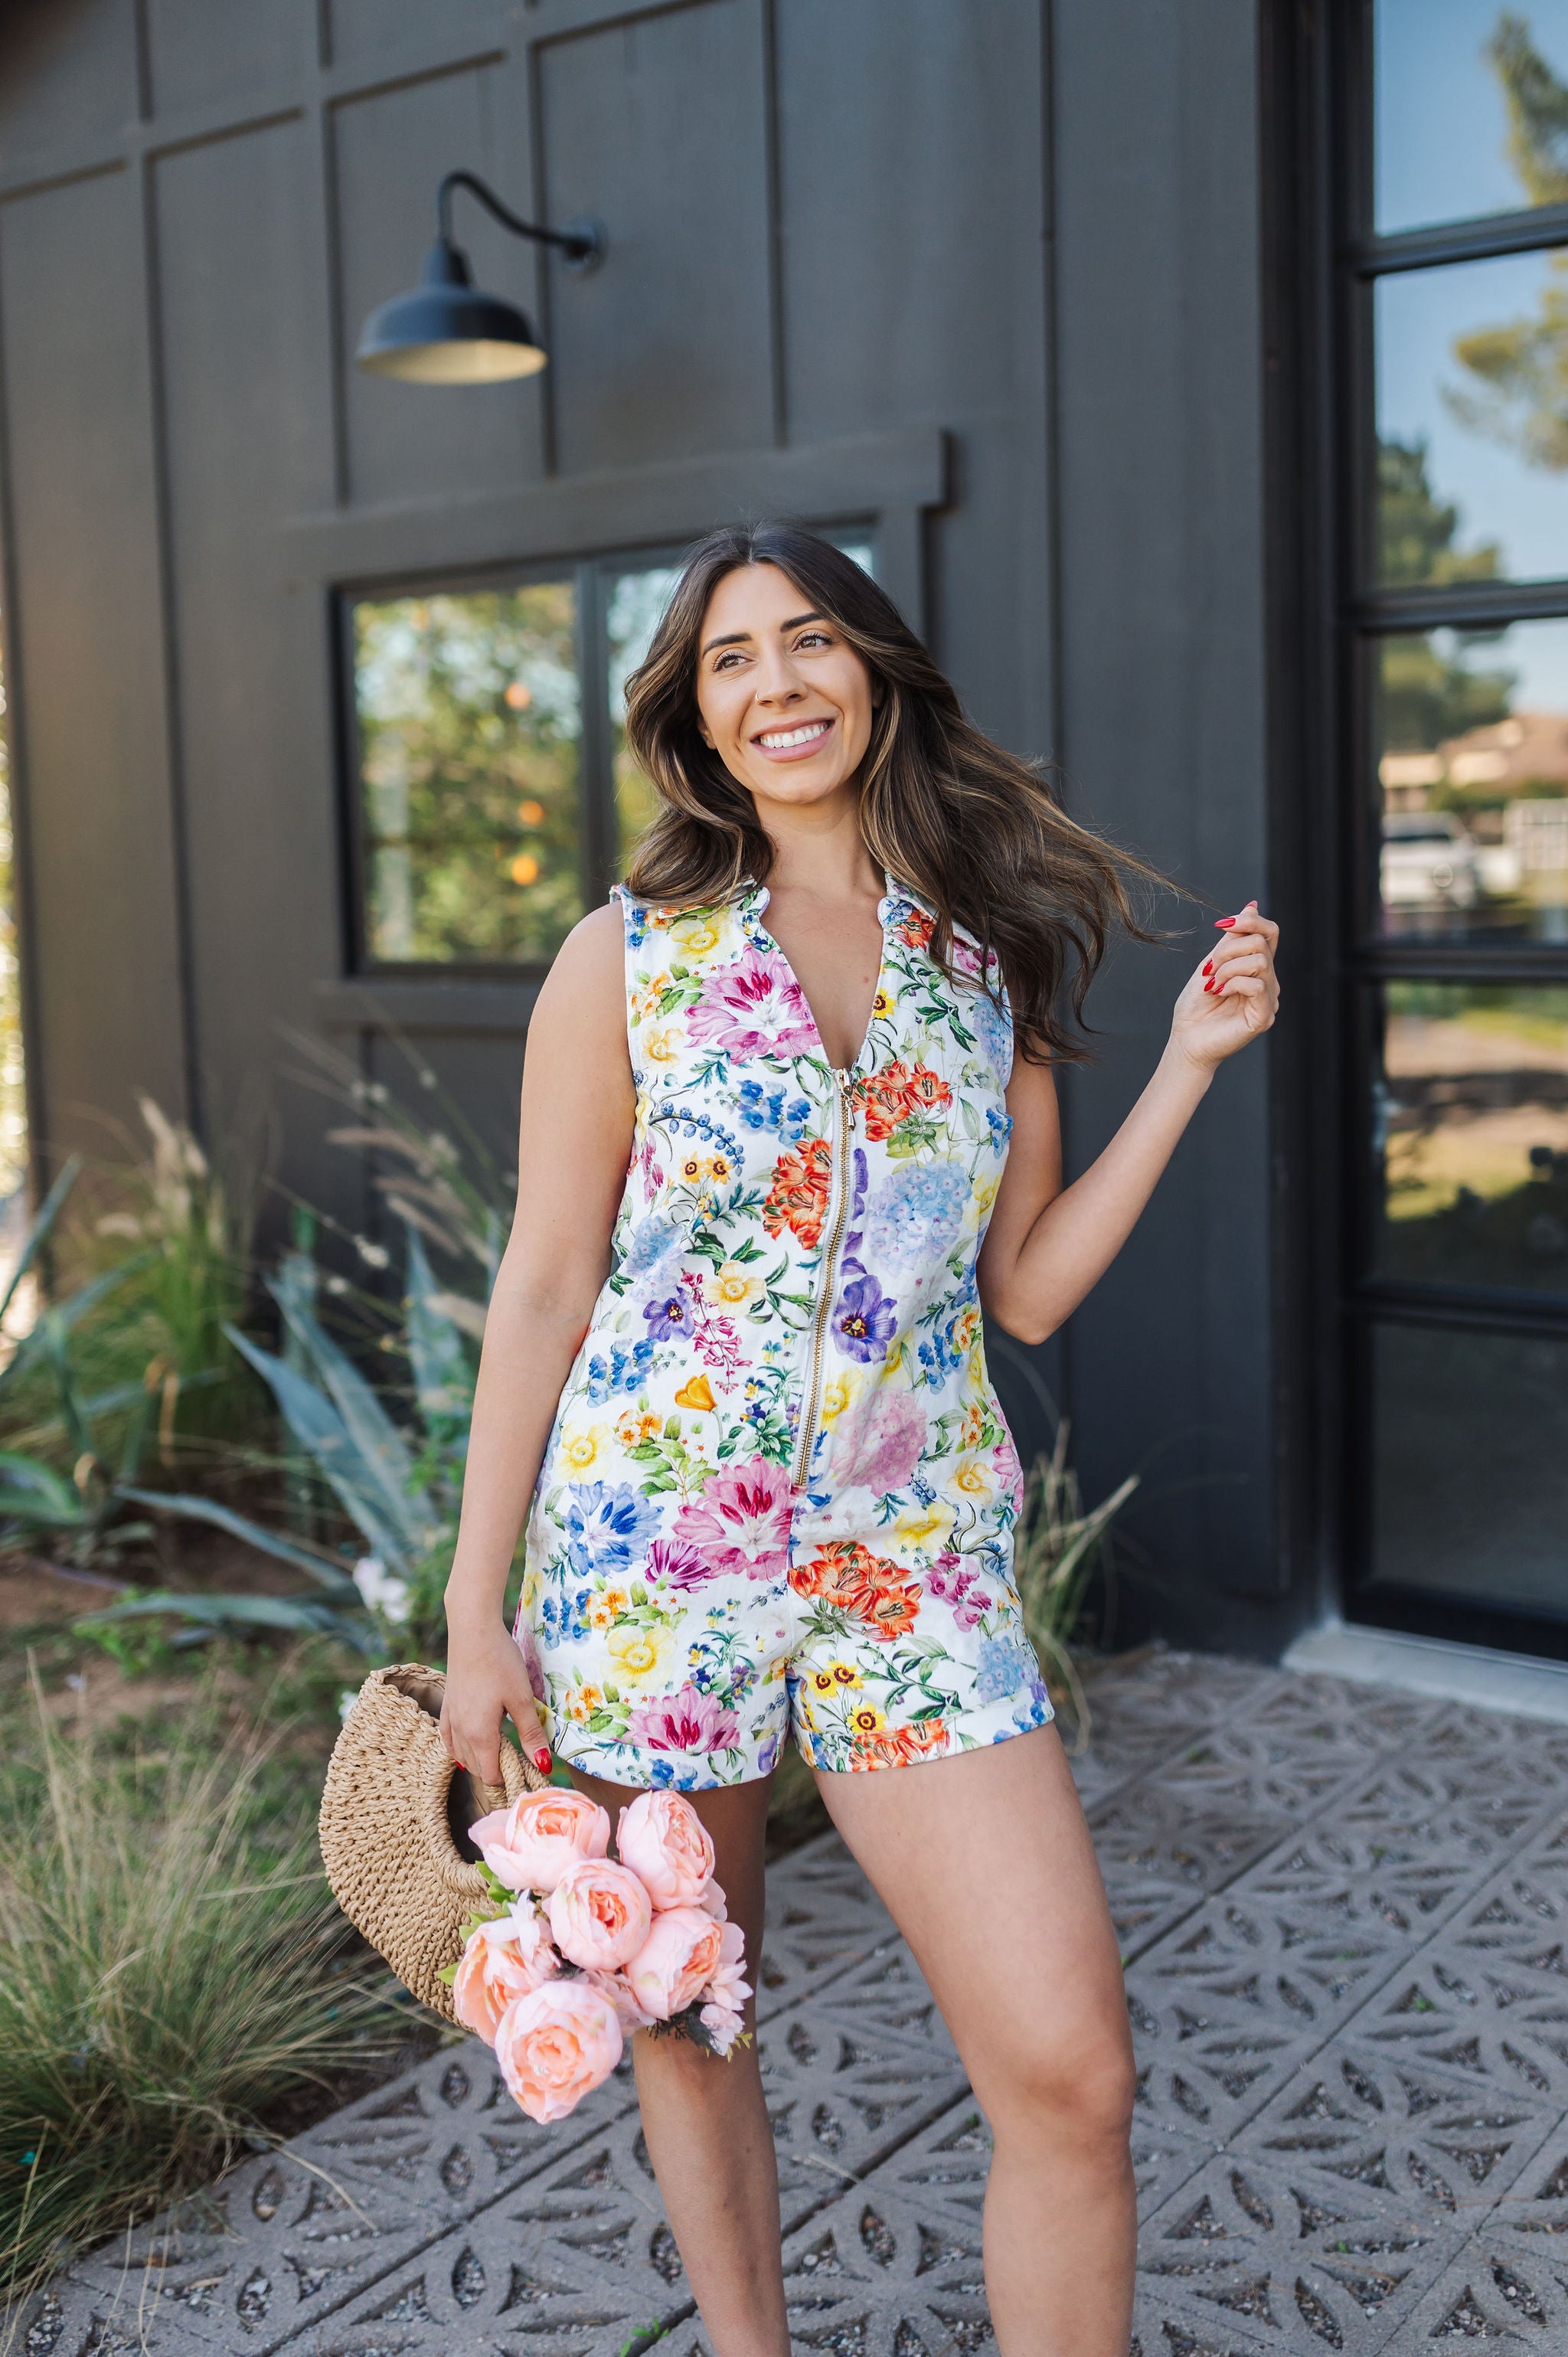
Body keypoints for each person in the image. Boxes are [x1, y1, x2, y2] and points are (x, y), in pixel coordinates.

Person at [441, 521, 1280, 2357]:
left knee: (1072, 2076)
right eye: (729, 660)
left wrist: (1194, 1069)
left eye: (808, 642)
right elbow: (543, 1283)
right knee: (689, 2006)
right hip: (644, 1571)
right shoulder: (628, 958)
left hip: (911, 1570)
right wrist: (469, 1615)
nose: (774, 684)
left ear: (877, 674)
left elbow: (1033, 1290)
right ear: (697, 720)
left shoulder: (979, 963)